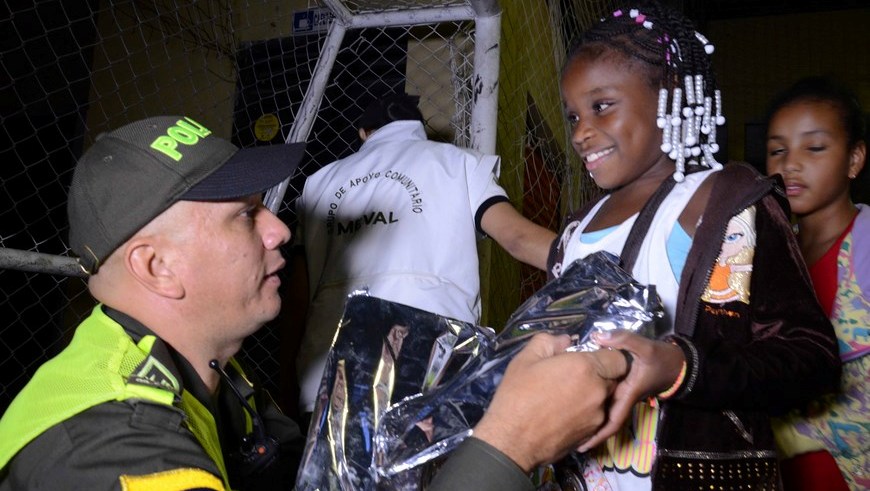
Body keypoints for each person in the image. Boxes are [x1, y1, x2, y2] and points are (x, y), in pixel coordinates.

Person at [0, 115, 628, 490]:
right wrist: (510, 445)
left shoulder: (212, 375)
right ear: (157, 267)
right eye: (245, 216)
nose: (279, 230)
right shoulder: (112, 444)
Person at [548, 2, 842, 489]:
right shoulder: (578, 228)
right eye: (573, 114)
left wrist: (684, 368)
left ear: (669, 93)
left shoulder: (725, 204)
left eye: (601, 107)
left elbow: (812, 362)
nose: (580, 132)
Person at [294, 92, 557, 417]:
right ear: (417, 127)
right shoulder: (460, 162)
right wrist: (593, 256)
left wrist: (288, 383)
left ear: (364, 133)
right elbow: (517, 238)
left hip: (328, 371)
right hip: (429, 363)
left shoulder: (318, 183)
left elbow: (298, 293)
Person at [765, 76, 868, 491]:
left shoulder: (864, 245)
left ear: (854, 159)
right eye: (777, 150)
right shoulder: (763, 256)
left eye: (815, 148)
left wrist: (789, 436)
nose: (790, 164)